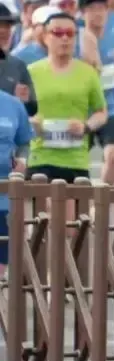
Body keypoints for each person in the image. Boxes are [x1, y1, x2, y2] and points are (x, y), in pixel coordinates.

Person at [26, 7, 105, 183]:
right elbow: (19, 113)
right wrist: (31, 124)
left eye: (70, 33)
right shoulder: (31, 72)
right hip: (40, 157)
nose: (64, 38)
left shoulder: (88, 73)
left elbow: (101, 113)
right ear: (45, 37)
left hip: (76, 161)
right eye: (58, 33)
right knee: (43, 210)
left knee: (71, 211)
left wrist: (86, 127)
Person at [81, 0, 114, 185]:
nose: (97, 13)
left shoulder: (113, 34)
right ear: (83, 12)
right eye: (92, 9)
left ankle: (99, 201)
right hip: (83, 108)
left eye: (101, 8)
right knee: (78, 159)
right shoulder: (76, 38)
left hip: (110, 106)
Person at [0, 85, 32, 278]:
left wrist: (22, 160)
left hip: (5, 194)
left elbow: (24, 142)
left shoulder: (13, 105)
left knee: (3, 251)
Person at [0, 4, 38, 116]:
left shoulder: (17, 65)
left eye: (7, 26)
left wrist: (23, 101)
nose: (2, 30)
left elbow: (32, 110)